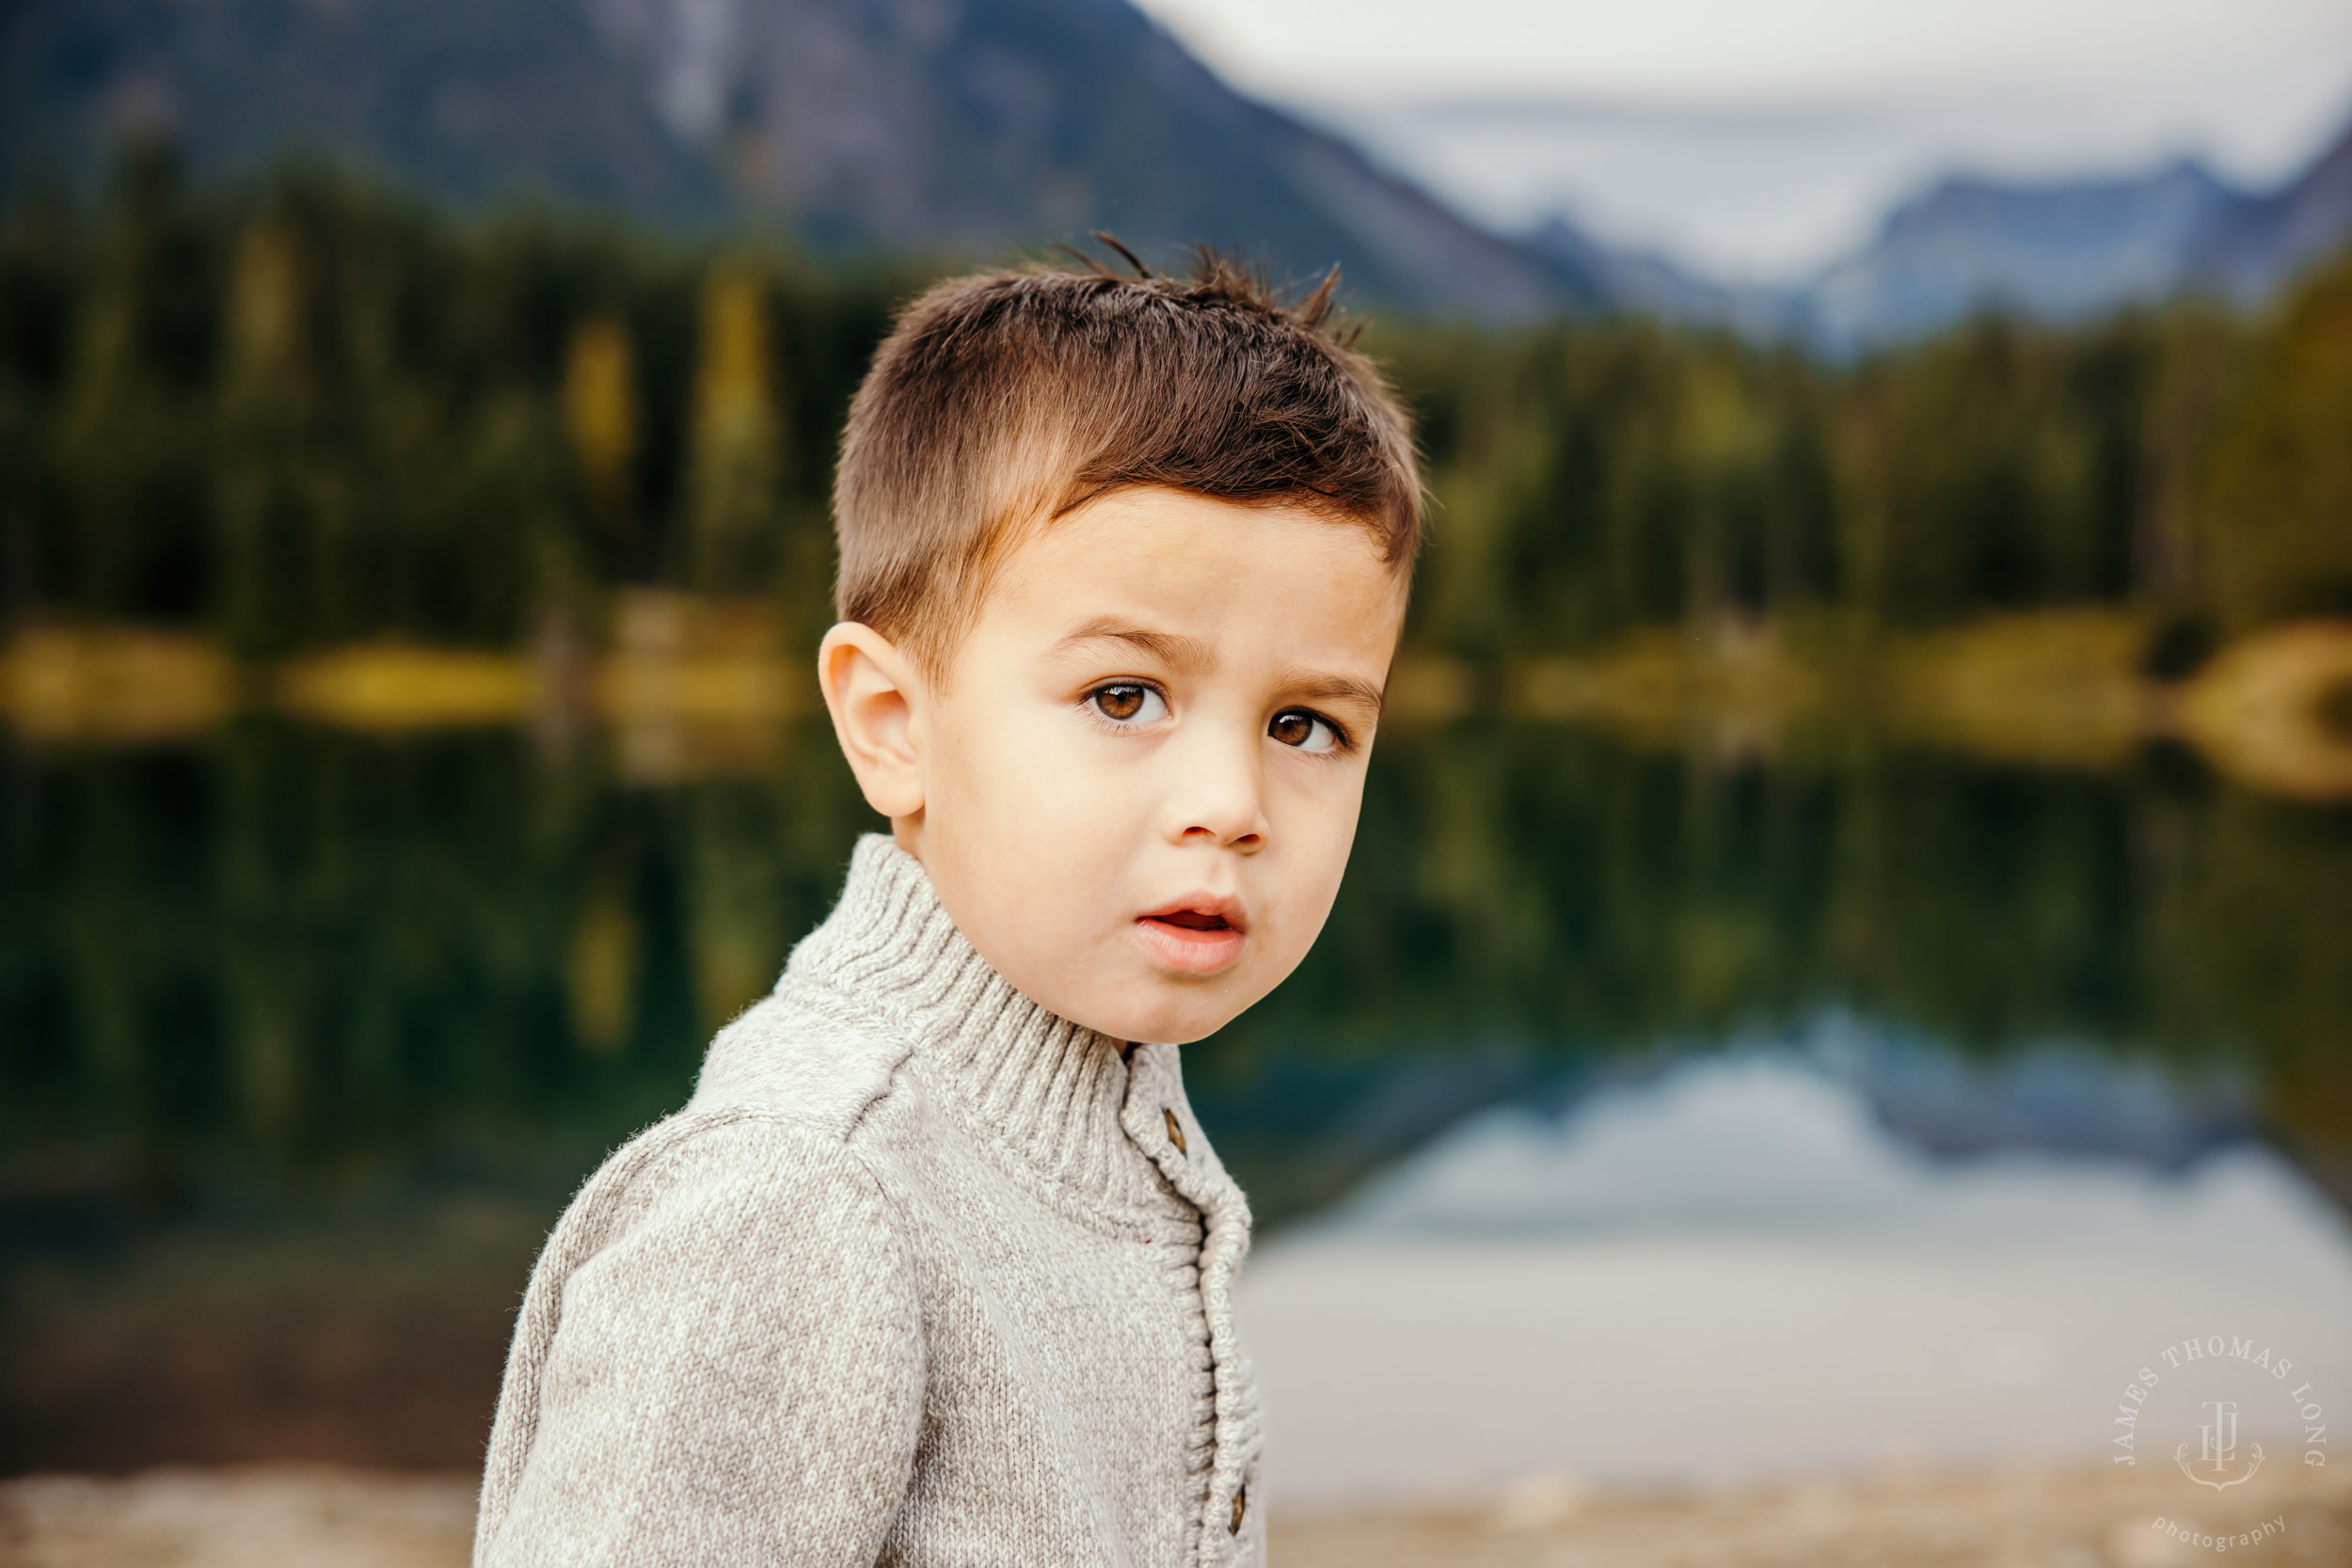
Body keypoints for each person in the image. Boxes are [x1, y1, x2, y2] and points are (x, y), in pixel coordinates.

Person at [472, 250, 1422, 1568]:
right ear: (893, 726)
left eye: (1307, 723)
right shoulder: (796, 1199)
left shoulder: (1118, 1129)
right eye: (1123, 696)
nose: (1233, 802)